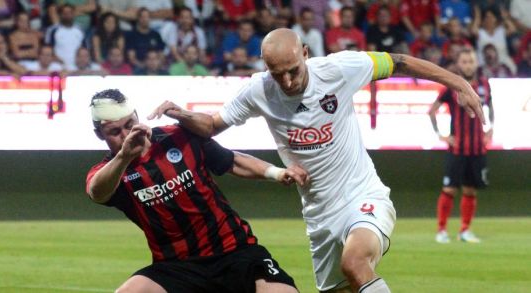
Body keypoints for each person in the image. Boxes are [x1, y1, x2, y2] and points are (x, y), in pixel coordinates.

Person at [148, 28, 485, 293]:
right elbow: (211, 126)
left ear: (306, 54)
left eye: (293, 70)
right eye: (277, 74)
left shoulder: (340, 68)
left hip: (362, 196)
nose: (287, 81)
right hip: (320, 216)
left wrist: (458, 82)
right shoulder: (258, 90)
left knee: (355, 263)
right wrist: (180, 114)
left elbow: (399, 61)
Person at [86, 89, 304, 293]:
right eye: (115, 132)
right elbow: (98, 193)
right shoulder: (110, 172)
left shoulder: (177, 137)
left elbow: (232, 161)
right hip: (176, 267)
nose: (126, 134)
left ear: (136, 116)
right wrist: (124, 156)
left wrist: (277, 173)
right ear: (99, 135)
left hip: (235, 251)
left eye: (129, 124)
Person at [428, 48, 494, 244]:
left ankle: (464, 230)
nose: (468, 65)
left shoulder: (484, 85)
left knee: (470, 190)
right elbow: (432, 111)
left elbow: (492, 109)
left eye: (471, 61)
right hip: (456, 149)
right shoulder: (451, 87)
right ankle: (441, 230)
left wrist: (491, 129)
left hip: (477, 149)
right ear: (459, 64)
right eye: (464, 61)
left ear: (476, 63)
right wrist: (441, 136)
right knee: (449, 189)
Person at [45, 4, 85, 71]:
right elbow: (48, 50)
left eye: (70, 13)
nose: (68, 15)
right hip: (58, 66)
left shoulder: (80, 30)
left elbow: (84, 50)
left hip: (77, 66)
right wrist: (60, 62)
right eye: (65, 13)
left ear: (73, 14)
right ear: (60, 15)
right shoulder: (53, 30)